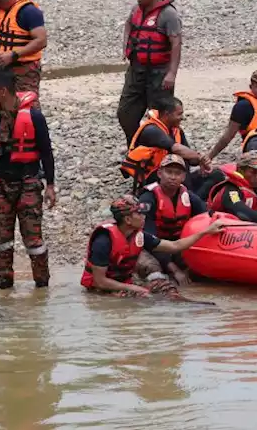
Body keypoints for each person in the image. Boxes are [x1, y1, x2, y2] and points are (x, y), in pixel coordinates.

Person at [0, 68, 56, 289]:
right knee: (1, 241)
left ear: (3, 91)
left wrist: (51, 186)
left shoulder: (34, 117)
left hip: (28, 183)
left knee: (33, 240)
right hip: (0, 185)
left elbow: (46, 152)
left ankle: (42, 287)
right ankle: (5, 286)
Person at [82, 195, 223, 295]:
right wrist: (134, 289)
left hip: (124, 283)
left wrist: (205, 232)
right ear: (128, 219)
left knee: (166, 288)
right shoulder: (103, 240)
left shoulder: (139, 235)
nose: (144, 217)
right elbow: (99, 281)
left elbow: (176, 246)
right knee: (143, 297)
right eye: (139, 214)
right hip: (100, 290)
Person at [118, 0, 182, 140]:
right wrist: (125, 45)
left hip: (159, 72)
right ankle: (135, 145)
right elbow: (128, 24)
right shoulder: (136, 10)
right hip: (136, 69)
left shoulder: (168, 14)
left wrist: (172, 74)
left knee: (160, 116)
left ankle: (166, 149)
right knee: (125, 113)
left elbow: (176, 43)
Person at [136, 155, 209, 286]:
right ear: (159, 173)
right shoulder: (148, 197)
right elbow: (148, 239)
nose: (173, 177)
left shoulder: (189, 196)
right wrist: (174, 269)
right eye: (169, 172)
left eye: (177, 173)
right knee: (153, 269)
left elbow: (207, 218)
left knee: (199, 268)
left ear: (183, 177)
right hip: (149, 246)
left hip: (177, 246)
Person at [120, 97, 208, 192]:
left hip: (175, 176)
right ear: (167, 114)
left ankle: (192, 196)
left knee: (216, 175)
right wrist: (201, 157)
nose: (182, 117)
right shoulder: (151, 130)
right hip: (156, 179)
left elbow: (191, 160)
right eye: (179, 114)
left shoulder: (177, 131)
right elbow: (176, 149)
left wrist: (204, 162)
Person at [206, 69, 257, 162]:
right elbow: (228, 135)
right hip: (254, 150)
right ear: (251, 87)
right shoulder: (242, 107)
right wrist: (210, 156)